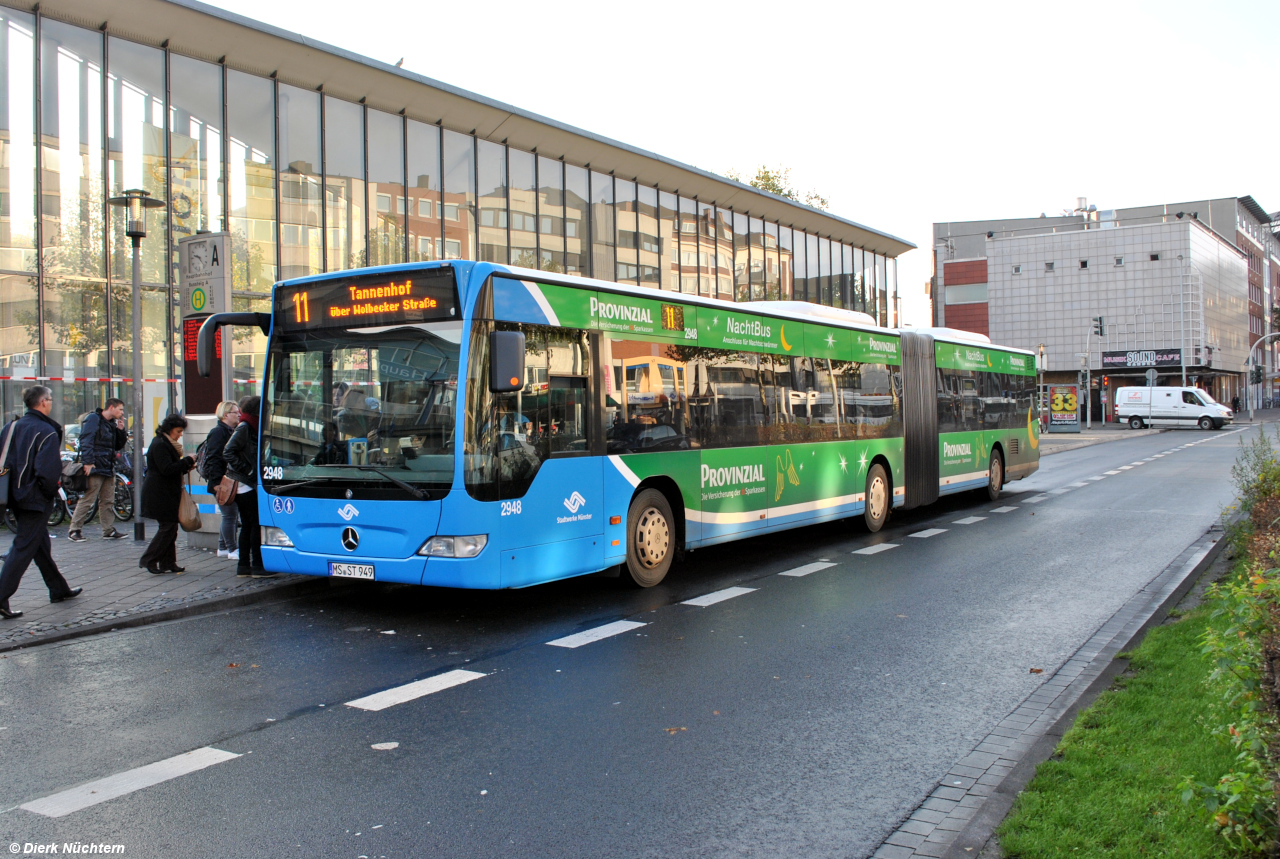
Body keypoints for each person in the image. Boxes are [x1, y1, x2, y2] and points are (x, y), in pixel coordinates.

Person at [0, 386, 81, 619]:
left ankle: (58, 589)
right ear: (43, 402)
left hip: (12, 495)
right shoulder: (45, 430)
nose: (52, 403)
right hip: (34, 497)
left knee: (39, 543)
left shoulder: (11, 426)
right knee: (24, 545)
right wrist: (50, 491)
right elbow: (47, 471)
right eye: (51, 399)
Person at [224, 395, 275, 579]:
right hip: (245, 484)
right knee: (254, 524)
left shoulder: (248, 426)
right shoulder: (246, 427)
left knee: (247, 525)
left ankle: (244, 565)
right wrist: (249, 470)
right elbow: (228, 451)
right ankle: (257, 565)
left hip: (245, 482)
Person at [138, 415, 196, 575]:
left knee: (170, 527)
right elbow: (167, 468)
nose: (180, 434)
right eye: (178, 431)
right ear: (170, 429)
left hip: (165, 492)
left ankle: (168, 562)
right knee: (167, 527)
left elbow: (170, 469)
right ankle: (149, 559)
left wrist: (185, 466)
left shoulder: (164, 443)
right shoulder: (160, 445)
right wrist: (187, 461)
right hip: (159, 493)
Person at [67, 397, 128, 542]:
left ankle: (108, 530)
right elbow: (86, 440)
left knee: (108, 500)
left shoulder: (111, 424)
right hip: (96, 465)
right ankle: (74, 530)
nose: (122, 412)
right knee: (89, 498)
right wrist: (88, 462)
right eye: (120, 409)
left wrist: (121, 431)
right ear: (111, 408)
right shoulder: (94, 419)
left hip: (108, 465)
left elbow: (117, 445)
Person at [203, 400, 241, 560]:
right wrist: (218, 483)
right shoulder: (219, 432)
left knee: (229, 514)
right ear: (226, 415)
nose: (239, 414)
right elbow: (214, 458)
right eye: (235, 412)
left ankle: (222, 546)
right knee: (230, 515)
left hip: (225, 480)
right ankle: (232, 549)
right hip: (222, 482)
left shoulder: (229, 431)